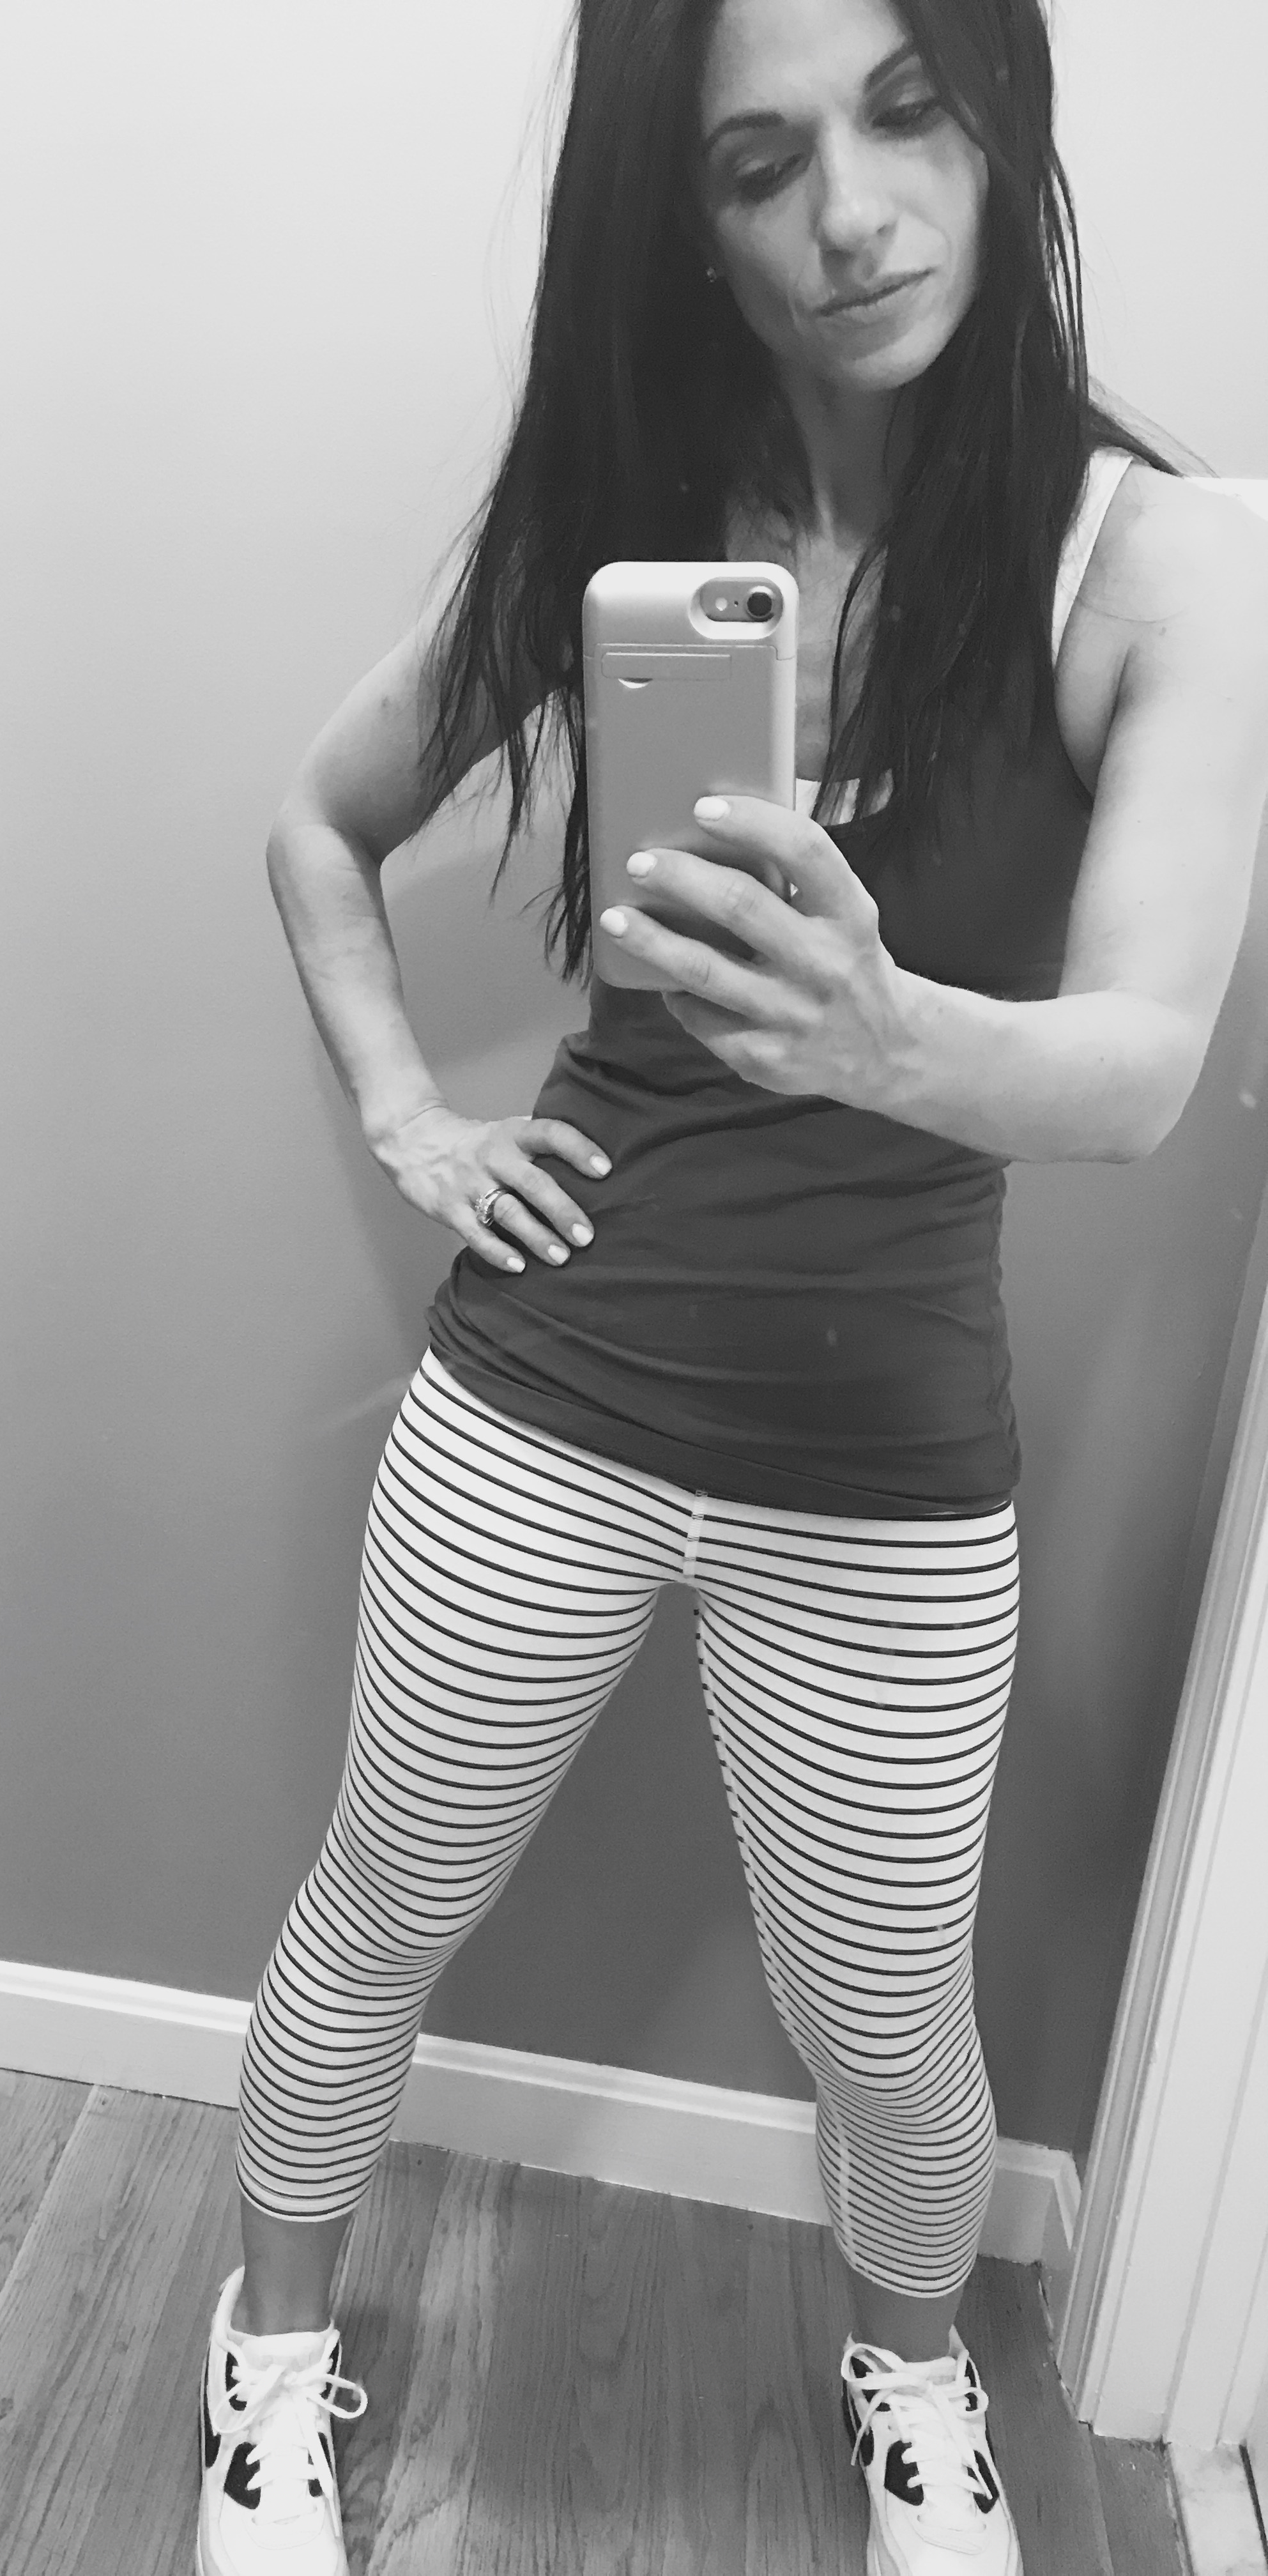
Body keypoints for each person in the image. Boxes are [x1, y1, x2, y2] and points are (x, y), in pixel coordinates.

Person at [194, 0, 1268, 2570]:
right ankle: (271, 2365)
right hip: (541, 1399)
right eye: (760, 160)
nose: (851, 216)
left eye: (908, 115)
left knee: (887, 2022)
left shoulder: (1163, 559)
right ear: (684, 218)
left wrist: (888, 1035)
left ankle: (918, 2390)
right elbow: (321, 825)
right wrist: (416, 1116)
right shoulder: (630, 530)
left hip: (884, 1471)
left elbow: (1138, 1067)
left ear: (1001, 116)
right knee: (381, 1908)